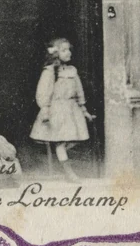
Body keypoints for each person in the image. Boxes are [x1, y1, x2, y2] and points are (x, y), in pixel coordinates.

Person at [29, 37, 96, 181]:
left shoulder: (72, 71)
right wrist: (45, 109)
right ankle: (69, 172)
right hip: (57, 110)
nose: (68, 53)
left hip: (72, 110)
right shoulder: (50, 71)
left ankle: (61, 157)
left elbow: (79, 91)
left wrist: (84, 110)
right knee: (60, 141)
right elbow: (43, 91)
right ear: (55, 53)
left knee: (76, 138)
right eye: (63, 50)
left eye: (69, 49)